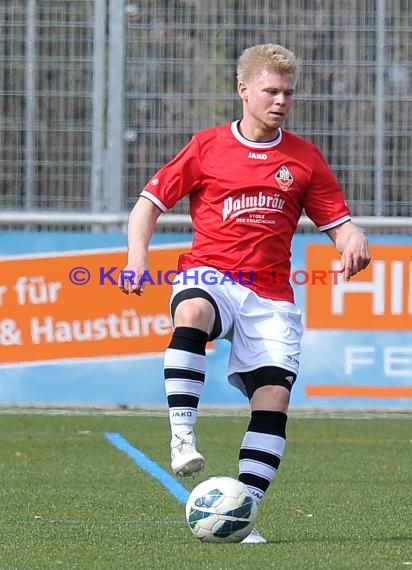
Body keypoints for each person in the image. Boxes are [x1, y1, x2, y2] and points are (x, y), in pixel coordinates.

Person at [119, 43, 371, 543]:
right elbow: (149, 203)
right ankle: (182, 434)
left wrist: (353, 240)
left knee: (273, 399)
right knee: (191, 311)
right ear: (244, 91)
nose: (280, 100)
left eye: (288, 93)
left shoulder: (304, 159)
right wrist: (137, 256)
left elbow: (337, 225)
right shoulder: (208, 146)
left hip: (272, 294)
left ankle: (241, 511)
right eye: (270, 91)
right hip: (211, 275)